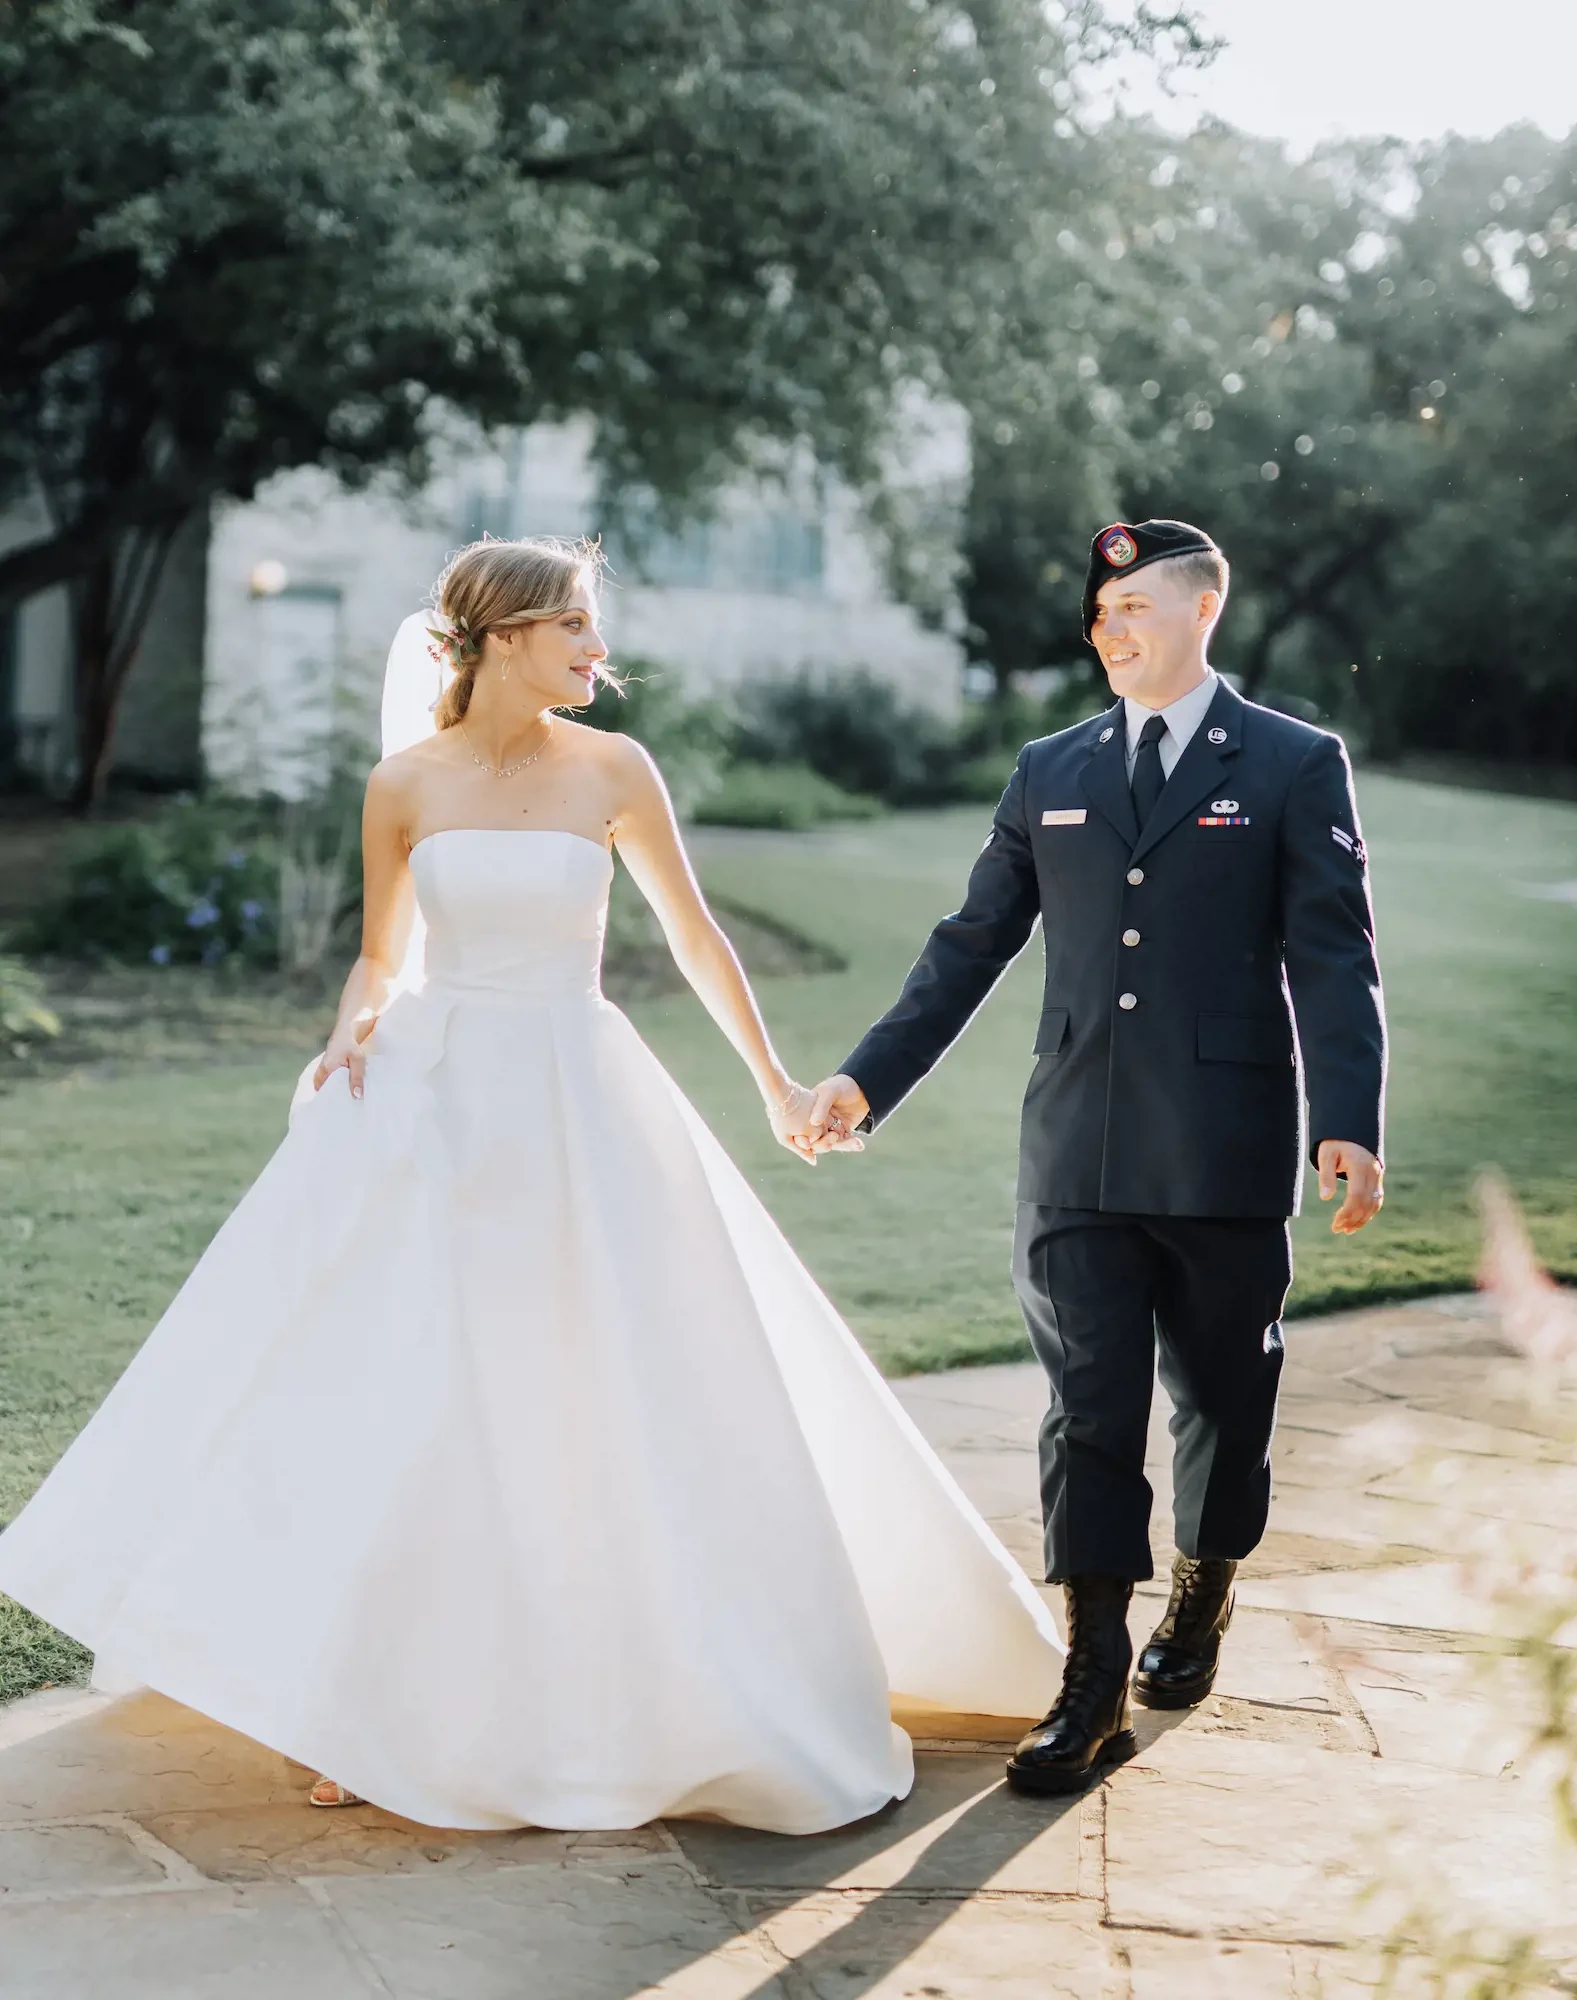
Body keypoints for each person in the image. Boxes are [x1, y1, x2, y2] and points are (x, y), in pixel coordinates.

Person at [0, 535, 1064, 1835]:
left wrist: (778, 1085)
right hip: (435, 1107)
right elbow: (380, 955)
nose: (597, 651)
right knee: (412, 1392)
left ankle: (626, 1691)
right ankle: (364, 1706)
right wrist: (346, 1032)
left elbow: (694, 936)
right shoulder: (403, 783)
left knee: (589, 1388)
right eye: (574, 626)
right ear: (503, 636)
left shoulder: (613, 770)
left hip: (576, 1098)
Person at [805, 519, 1387, 1796]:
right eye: (1101, 614)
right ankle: (1091, 1675)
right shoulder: (1050, 768)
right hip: (1074, 1144)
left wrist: (1348, 1116)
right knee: (1089, 1409)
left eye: (1135, 608)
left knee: (1224, 1398)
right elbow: (970, 944)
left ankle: (1205, 1580)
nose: (1110, 630)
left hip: (1223, 1144)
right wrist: (865, 1077)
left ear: (1202, 609)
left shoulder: (1291, 762)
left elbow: (1331, 952)